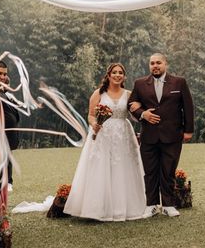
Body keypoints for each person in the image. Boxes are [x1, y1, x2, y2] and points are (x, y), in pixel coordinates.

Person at [64, 63, 147, 221]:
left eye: (120, 73)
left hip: (123, 133)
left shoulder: (129, 94)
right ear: (108, 75)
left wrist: (140, 111)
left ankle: (123, 208)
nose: (117, 75)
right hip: (102, 134)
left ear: (124, 76)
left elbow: (134, 116)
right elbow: (90, 114)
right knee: (100, 168)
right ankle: (97, 208)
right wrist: (94, 124)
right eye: (114, 72)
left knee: (123, 168)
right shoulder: (99, 93)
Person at [128, 53, 194, 217]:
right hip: (149, 136)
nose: (155, 66)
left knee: (168, 170)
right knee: (149, 172)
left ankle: (168, 205)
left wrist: (188, 130)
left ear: (165, 64)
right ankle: (151, 205)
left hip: (172, 135)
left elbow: (188, 107)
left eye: (158, 63)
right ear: (149, 66)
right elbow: (131, 105)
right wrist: (143, 114)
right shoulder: (140, 84)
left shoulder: (179, 82)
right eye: (152, 63)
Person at [0, 61, 20, 201]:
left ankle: (0, 213)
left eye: (4, 74)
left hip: (7, 140)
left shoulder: (4, 91)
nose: (2, 77)